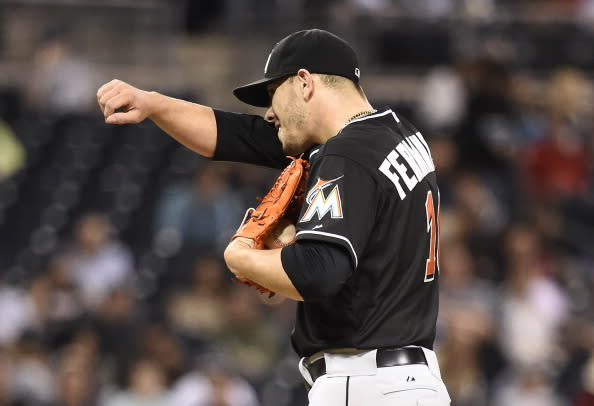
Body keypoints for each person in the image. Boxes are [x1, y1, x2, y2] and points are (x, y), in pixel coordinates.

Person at [97, 28, 450, 406]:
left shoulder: (346, 155)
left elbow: (317, 272)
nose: (268, 113)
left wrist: (241, 256)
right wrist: (153, 104)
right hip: (411, 381)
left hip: (364, 382)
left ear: (304, 83)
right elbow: (238, 136)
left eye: (272, 95)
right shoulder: (396, 132)